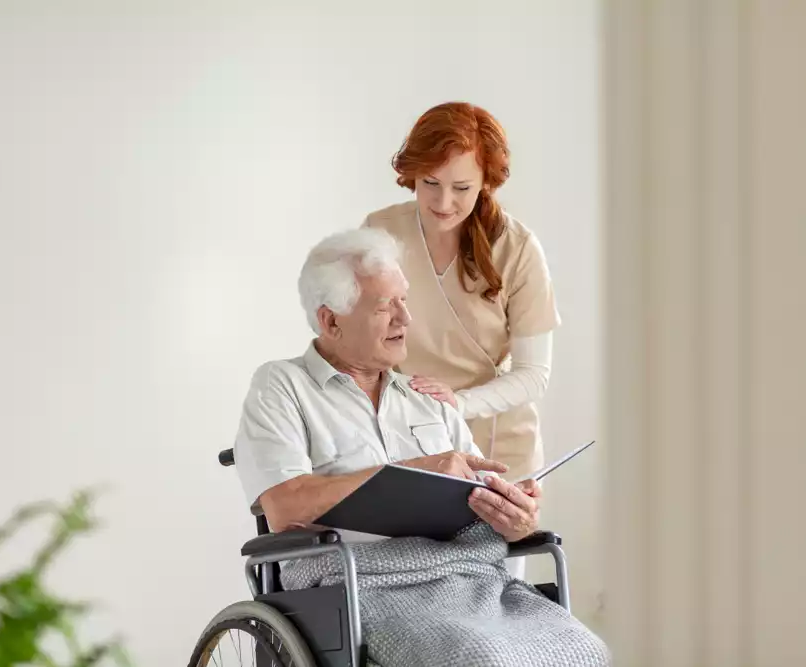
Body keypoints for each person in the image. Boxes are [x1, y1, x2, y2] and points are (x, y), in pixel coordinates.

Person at [232, 228, 609, 667]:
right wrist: (415, 470)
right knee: (481, 660)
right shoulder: (282, 386)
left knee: (586, 651)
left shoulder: (426, 396)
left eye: (404, 300)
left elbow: (484, 505)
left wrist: (515, 520)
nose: (405, 319)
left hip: (469, 579)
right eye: (384, 307)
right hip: (358, 584)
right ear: (331, 321)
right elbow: (284, 507)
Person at [362, 102, 561, 579]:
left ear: (486, 182)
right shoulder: (381, 233)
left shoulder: (516, 249)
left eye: (462, 187)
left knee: (492, 593)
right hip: (408, 443)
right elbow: (357, 337)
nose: (444, 202)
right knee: (411, 586)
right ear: (411, 173)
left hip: (495, 446)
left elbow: (534, 374)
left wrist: (457, 403)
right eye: (430, 183)